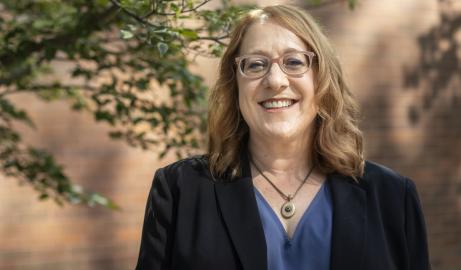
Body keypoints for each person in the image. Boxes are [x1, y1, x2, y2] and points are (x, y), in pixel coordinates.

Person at [135, 4, 431, 270]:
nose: (275, 81)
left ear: (322, 79)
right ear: (234, 85)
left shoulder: (393, 196)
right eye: (255, 64)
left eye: (294, 62)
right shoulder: (181, 190)